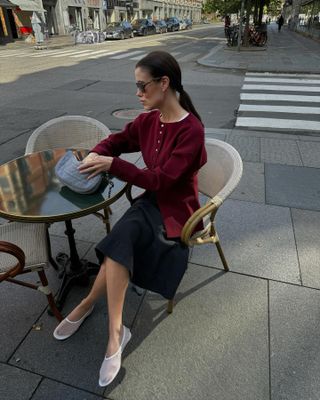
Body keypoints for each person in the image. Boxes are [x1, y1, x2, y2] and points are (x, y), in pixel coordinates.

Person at [53, 51, 207, 387]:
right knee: (121, 241)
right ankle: (114, 331)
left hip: (176, 210)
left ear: (163, 84)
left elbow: (162, 181)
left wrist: (113, 165)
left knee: (119, 241)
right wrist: (100, 151)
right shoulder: (149, 120)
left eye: (142, 86)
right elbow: (119, 140)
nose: (137, 93)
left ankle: (94, 312)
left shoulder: (191, 130)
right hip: (150, 203)